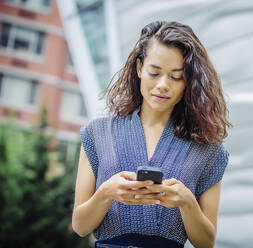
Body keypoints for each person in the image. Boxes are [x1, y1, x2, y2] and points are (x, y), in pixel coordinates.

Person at [72, 20, 232, 248]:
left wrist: (187, 203)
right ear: (139, 68)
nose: (163, 85)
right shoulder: (97, 134)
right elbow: (80, 226)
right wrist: (106, 193)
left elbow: (206, 243)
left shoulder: (208, 151)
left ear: (189, 81)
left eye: (176, 76)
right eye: (154, 72)